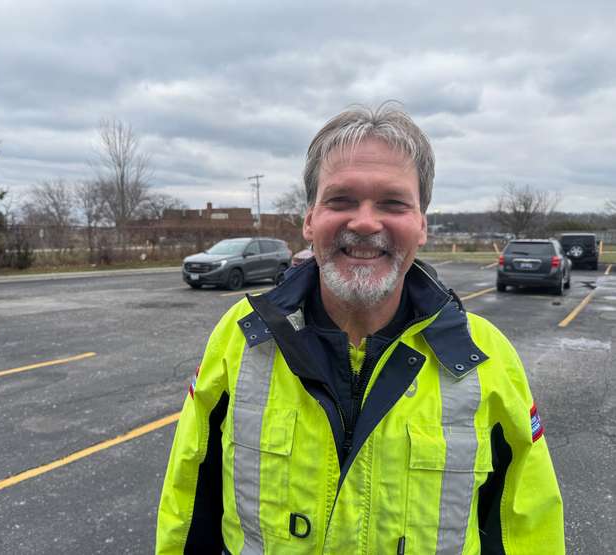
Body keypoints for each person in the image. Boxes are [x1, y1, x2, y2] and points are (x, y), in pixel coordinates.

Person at [156, 103, 565, 554]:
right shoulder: (242, 335)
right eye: (341, 200)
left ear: (421, 225)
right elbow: (189, 501)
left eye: (392, 203)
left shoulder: (486, 356)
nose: (366, 222)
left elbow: (525, 527)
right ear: (310, 219)